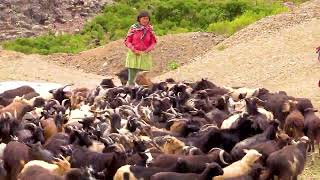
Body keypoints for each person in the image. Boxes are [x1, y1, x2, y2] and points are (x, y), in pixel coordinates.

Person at [124, 10, 157, 85]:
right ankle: (131, 93)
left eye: (147, 18)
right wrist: (133, 49)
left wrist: (147, 50)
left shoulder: (150, 29)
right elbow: (127, 41)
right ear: (139, 19)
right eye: (143, 18)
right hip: (133, 55)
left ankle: (143, 94)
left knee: (142, 79)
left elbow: (153, 42)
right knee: (132, 79)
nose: (145, 20)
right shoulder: (133, 28)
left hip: (145, 56)